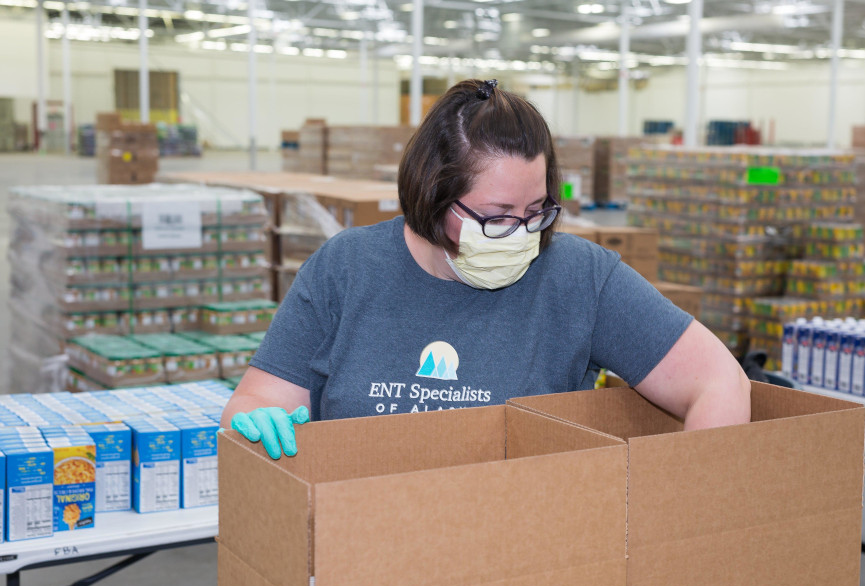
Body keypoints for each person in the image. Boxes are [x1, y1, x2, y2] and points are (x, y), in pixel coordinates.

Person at [221, 78, 751, 459]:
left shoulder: (579, 279)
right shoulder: (347, 269)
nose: (520, 235)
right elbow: (257, 401)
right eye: (495, 218)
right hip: (359, 555)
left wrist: (686, 515)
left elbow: (719, 382)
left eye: (536, 212)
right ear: (433, 194)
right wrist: (254, 423)